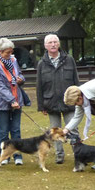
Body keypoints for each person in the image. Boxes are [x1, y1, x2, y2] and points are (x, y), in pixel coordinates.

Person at [36, 34, 80, 164]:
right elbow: (39, 86)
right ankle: (59, 155)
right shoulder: (41, 63)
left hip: (70, 102)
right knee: (55, 131)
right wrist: (41, 106)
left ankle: (79, 153)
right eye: (50, 42)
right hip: (50, 102)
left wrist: (79, 99)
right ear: (45, 46)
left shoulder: (69, 59)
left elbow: (76, 81)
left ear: (59, 44)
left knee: (73, 128)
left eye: (55, 42)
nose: (53, 44)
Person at [0, 38, 26, 166]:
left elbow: (19, 74)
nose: (10, 55)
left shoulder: (13, 61)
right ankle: (4, 156)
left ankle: (17, 155)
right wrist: (11, 99)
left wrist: (21, 79)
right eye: (7, 53)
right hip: (0, 103)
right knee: (4, 131)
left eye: (11, 52)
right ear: (0, 51)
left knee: (16, 130)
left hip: (16, 99)